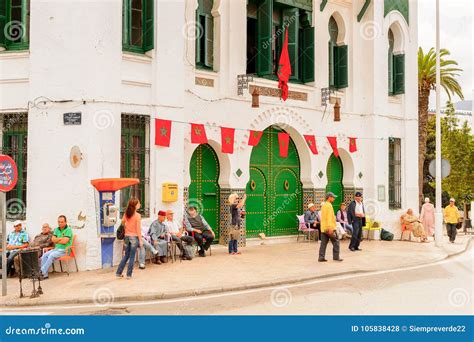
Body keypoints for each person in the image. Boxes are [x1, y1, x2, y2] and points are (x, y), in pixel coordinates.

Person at [116, 199, 143, 279]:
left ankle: (118, 273)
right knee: (132, 256)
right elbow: (138, 229)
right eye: (138, 203)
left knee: (126, 256)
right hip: (134, 237)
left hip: (126, 237)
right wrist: (140, 240)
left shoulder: (126, 214)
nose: (140, 205)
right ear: (135, 205)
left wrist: (127, 228)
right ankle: (129, 275)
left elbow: (122, 223)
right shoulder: (138, 215)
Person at [318, 192, 343, 262]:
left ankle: (321, 257)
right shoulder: (329, 206)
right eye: (333, 197)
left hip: (323, 228)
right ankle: (336, 257)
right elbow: (329, 217)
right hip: (330, 228)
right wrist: (330, 228)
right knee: (336, 242)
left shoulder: (324, 205)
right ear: (329, 197)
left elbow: (323, 217)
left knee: (323, 244)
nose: (334, 198)